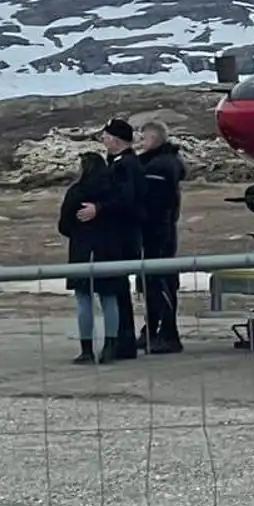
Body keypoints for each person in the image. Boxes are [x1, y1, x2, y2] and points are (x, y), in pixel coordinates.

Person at [75, 118, 147, 361]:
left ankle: (122, 341)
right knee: (117, 292)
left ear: (115, 140)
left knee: (116, 292)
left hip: (122, 237)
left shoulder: (125, 166)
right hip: (121, 236)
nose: (103, 140)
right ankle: (120, 340)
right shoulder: (121, 164)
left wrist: (100, 209)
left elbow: (126, 201)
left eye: (106, 136)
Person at [56, 152, 121, 364]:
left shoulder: (77, 192)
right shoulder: (112, 190)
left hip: (82, 250)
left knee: (84, 299)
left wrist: (78, 233)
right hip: (110, 249)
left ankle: (86, 349)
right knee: (109, 299)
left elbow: (64, 225)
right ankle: (110, 345)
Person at [133, 120, 187, 354]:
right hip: (160, 230)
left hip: (157, 232)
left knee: (159, 281)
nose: (140, 142)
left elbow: (153, 203)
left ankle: (167, 332)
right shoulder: (161, 164)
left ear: (153, 139)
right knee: (153, 282)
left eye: (144, 138)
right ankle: (153, 328)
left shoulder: (159, 167)